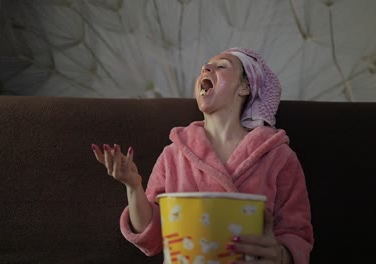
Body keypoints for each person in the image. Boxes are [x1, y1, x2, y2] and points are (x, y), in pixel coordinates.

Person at [91, 47, 314, 263]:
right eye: (205, 67)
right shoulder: (174, 154)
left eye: (221, 66)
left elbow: (297, 233)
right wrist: (133, 187)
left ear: (245, 86)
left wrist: (280, 255)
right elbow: (153, 237)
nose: (206, 68)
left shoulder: (279, 157)